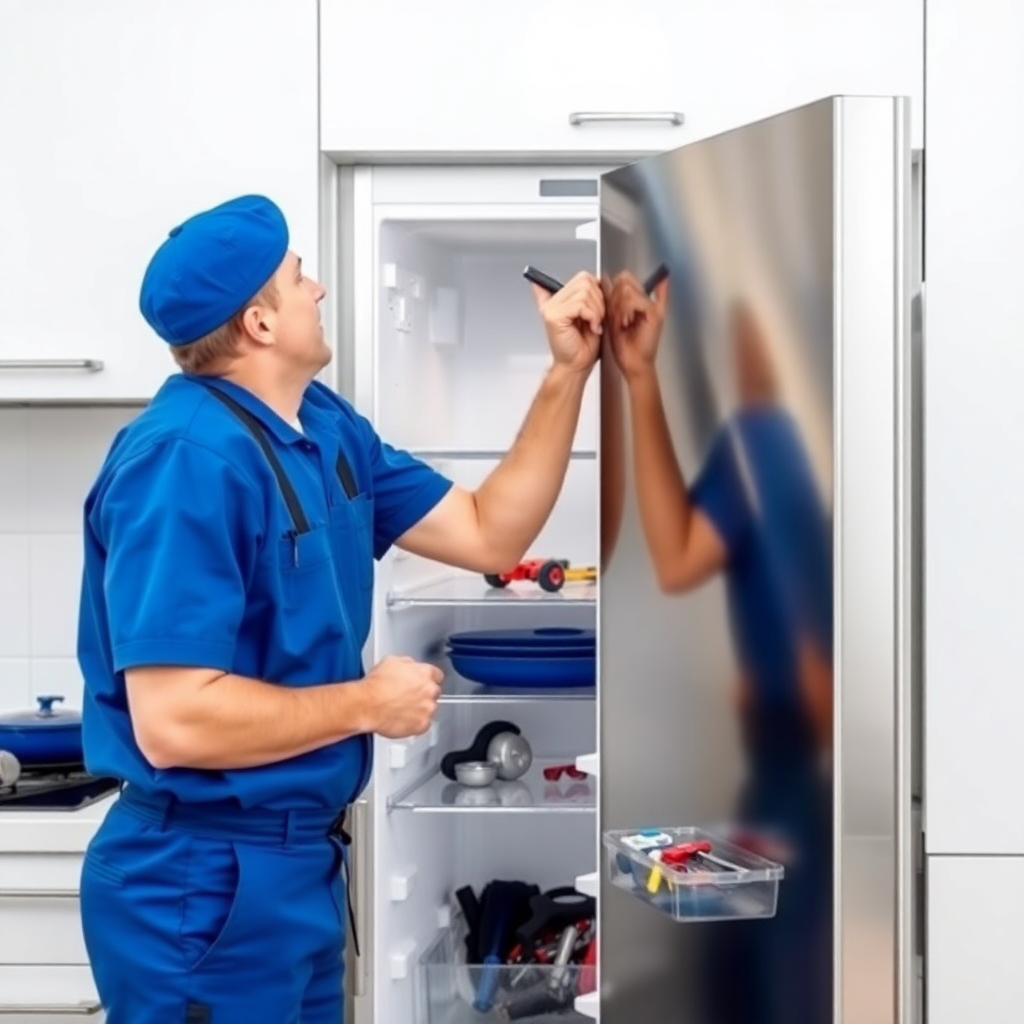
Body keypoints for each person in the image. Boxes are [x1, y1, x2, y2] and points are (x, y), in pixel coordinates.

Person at [76, 194, 604, 1024]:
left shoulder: (319, 424)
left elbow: (486, 532)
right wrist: (366, 704)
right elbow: (173, 721)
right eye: (298, 279)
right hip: (198, 883)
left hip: (299, 870)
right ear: (258, 322)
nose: (317, 290)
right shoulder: (184, 461)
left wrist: (568, 372)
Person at [603, 271, 833, 1024]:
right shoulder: (762, 443)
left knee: (786, 983)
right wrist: (637, 378)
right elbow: (679, 558)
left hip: (822, 767)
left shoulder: (810, 443)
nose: (737, 360)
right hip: (785, 763)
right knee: (751, 978)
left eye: (749, 338)